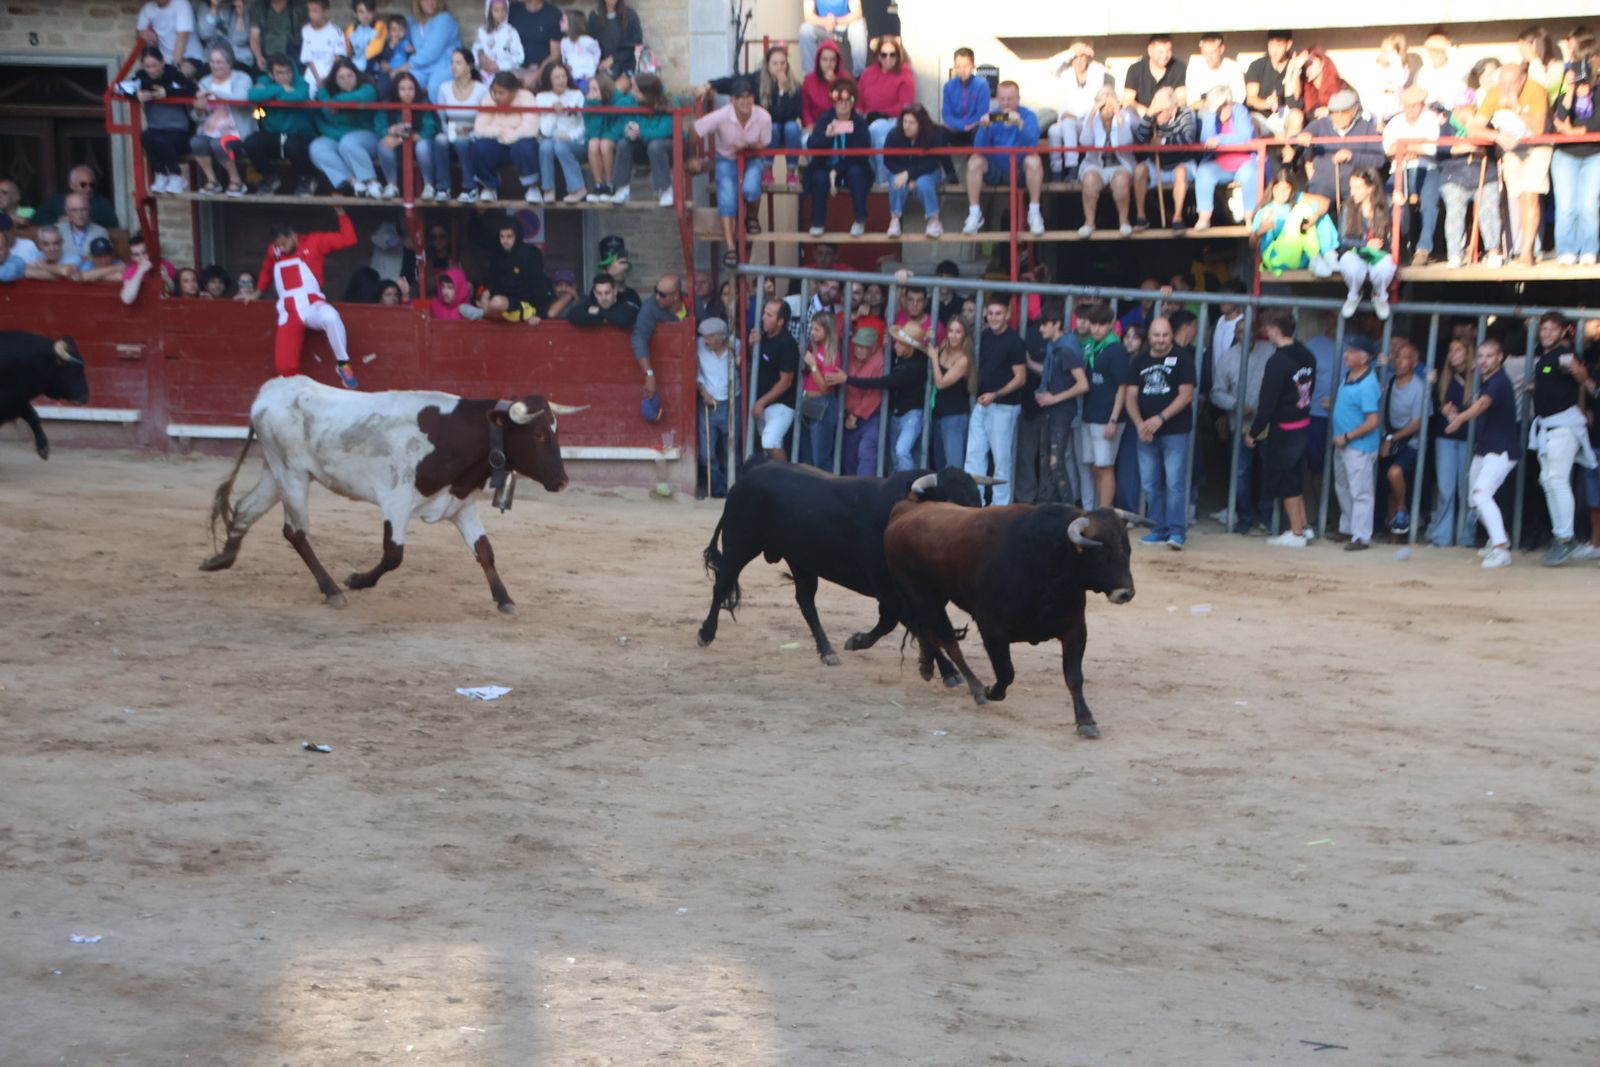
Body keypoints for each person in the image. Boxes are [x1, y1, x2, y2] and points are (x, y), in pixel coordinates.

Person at [256, 208, 361, 385]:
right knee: (284, 367)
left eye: (283, 243)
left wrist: (341, 213)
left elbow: (349, 238)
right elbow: (267, 270)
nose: (280, 249)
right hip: (288, 312)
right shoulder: (274, 251)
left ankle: (343, 364)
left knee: (330, 316)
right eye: (277, 245)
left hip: (312, 305)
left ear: (293, 236)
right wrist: (257, 292)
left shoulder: (315, 241)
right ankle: (301, 394)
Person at [1443, 340, 1520, 567]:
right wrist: (1456, 413)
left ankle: (1501, 549)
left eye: (1489, 356)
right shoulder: (1487, 381)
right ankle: (1498, 538)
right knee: (1473, 500)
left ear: (1500, 358)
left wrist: (1460, 418)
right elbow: (1479, 406)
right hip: (1486, 449)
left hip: (1501, 450)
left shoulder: (1499, 382)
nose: (1484, 360)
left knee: (1481, 494)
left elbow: (1483, 404)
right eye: (1481, 356)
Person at [1528, 313, 1596, 564]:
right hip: (1548, 428)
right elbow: (1553, 378)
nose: (1546, 333)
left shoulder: (1565, 355)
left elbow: (1577, 375)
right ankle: (1562, 536)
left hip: (1563, 428)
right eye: (1543, 328)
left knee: (1556, 479)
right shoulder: (1546, 359)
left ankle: (1566, 538)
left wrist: (1580, 374)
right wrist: (1534, 388)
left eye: (1551, 329)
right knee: (1547, 479)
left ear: (1562, 331)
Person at [1246, 308, 1317, 547]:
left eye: (1267, 328)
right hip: (1304, 422)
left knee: (1287, 480)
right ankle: (1304, 527)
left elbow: (1267, 404)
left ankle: (1296, 532)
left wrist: (1254, 432)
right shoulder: (1307, 355)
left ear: (1275, 330)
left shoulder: (1277, 362)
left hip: (1285, 428)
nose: (1266, 332)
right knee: (1295, 478)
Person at [1124, 316, 1195, 548]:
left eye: (1165, 335)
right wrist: (1139, 423)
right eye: (1157, 335)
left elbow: (1186, 394)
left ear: (1171, 335)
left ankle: (1176, 532)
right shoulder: (1139, 361)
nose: (1161, 340)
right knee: (1150, 483)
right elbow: (1130, 396)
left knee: (1174, 483)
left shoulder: (1183, 358)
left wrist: (1160, 418)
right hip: (1145, 432)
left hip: (1175, 430)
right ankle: (1158, 529)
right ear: (1150, 337)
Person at [1471, 63, 1551, 266]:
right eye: (1503, 82)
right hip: (1510, 148)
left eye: (1511, 83)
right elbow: (1473, 129)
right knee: (1517, 197)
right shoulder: (1494, 93)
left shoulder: (1535, 90)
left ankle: (1527, 252)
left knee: (1530, 196)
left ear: (1522, 79)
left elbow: (1539, 128)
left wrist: (1517, 106)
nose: (1506, 87)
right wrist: (1496, 135)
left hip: (1536, 146)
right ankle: (1520, 249)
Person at [694, 77, 771, 265]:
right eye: (741, 97)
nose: (746, 101)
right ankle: (730, 249)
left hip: (752, 156)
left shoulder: (763, 116)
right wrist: (691, 156)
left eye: (749, 96)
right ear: (732, 101)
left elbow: (764, 144)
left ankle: (752, 217)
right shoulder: (722, 115)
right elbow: (694, 129)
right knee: (727, 199)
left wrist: (748, 145)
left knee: (751, 189)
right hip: (727, 159)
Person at [842, 320, 931, 472]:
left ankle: (910, 487)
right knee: (897, 458)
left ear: (909, 347)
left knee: (902, 451)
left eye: (900, 344)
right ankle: (902, 489)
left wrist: (847, 379)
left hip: (911, 414)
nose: (895, 346)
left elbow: (884, 382)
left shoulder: (915, 366)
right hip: (896, 413)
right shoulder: (900, 357)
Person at [1440, 58, 1505, 268]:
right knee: (1455, 210)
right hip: (1454, 176)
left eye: (1468, 108)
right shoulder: (1446, 126)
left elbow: (1490, 142)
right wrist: (1465, 146)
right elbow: (1443, 149)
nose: (1462, 112)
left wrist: (1473, 129)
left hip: (1485, 175)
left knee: (1489, 208)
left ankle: (1493, 250)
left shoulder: (1486, 122)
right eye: (1458, 108)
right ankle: (1455, 254)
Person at [1211, 326, 1275, 534]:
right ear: (1235, 335)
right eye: (1241, 332)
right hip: (1239, 425)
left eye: (1250, 331)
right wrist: (1237, 405)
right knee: (1240, 473)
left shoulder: (1270, 350)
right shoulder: (1227, 358)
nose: (1246, 335)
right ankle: (1245, 518)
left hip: (1267, 424)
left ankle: (1267, 517)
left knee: (1270, 471)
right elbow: (1216, 393)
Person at [963, 297, 1027, 504]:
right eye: (990, 313)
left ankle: (1000, 507)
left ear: (1007, 315)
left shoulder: (1015, 341)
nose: (993, 317)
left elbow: (1021, 378)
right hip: (983, 404)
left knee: (1001, 461)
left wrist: (996, 395)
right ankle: (975, 503)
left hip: (1004, 407)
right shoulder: (985, 335)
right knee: (974, 456)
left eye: (998, 313)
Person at [963, 80, 1045, 237]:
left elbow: (1033, 145)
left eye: (1010, 99)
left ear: (1018, 99)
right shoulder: (992, 116)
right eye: (1002, 99)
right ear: (997, 99)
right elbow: (978, 149)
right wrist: (984, 128)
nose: (1005, 103)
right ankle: (975, 214)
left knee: (1034, 160)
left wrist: (1019, 123)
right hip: (996, 171)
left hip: (1020, 171)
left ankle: (1034, 213)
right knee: (974, 161)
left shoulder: (1028, 116)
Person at [1297, 89, 1382, 226]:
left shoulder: (1366, 128)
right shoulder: (1321, 124)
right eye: (1335, 113)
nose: (1339, 117)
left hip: (1354, 186)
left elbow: (1379, 160)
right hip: (1322, 183)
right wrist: (1302, 137)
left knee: (1359, 214)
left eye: (1344, 113)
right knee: (1313, 206)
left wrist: (1352, 157)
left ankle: (1353, 244)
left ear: (1354, 111)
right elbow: (1296, 140)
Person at [1072, 302, 1128, 508]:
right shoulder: (1094, 346)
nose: (1095, 328)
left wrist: (1113, 419)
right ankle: (1101, 510)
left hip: (1106, 418)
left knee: (1105, 467)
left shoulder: (1117, 350)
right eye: (1093, 324)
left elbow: (1123, 387)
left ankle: (1106, 513)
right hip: (1090, 416)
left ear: (1110, 325)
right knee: (1096, 467)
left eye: (1100, 325)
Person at [1329, 337, 1382, 550]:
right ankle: (1349, 527)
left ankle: (1361, 536)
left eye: (1351, 352)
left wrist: (1348, 436)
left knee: (1360, 492)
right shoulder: (1351, 375)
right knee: (1343, 487)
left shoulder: (1368, 384)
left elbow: (1373, 421)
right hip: (1345, 443)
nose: (1346, 355)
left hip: (1357, 445)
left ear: (1364, 357)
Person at [123, 46, 198, 194]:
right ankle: (161, 174)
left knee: (162, 141)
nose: (151, 70)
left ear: (162, 63)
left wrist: (167, 93)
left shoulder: (173, 74)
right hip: (156, 127)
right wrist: (136, 95)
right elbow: (121, 88)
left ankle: (176, 176)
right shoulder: (141, 77)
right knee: (145, 137)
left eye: (154, 65)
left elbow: (192, 89)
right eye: (147, 66)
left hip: (179, 131)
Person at [1034, 302, 1089, 505]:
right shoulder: (1055, 348)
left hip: (1062, 411)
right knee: (1047, 460)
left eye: (1044, 324)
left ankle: (1068, 509)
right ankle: (1049, 508)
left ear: (1056, 324)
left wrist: (1053, 398)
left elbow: (1083, 384)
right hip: (1052, 409)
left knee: (1055, 462)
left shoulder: (1064, 349)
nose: (1040, 329)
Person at [1383, 85, 1443, 265]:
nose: (1411, 109)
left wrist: (1403, 146)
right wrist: (1415, 146)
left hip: (1427, 168)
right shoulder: (1395, 122)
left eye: (1415, 105)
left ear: (1422, 105)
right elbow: (1388, 149)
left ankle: (1423, 249)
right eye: (1408, 105)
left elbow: (1431, 149)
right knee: (1390, 199)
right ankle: (1396, 246)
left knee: (1429, 203)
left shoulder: (1430, 119)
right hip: (1400, 168)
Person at [803, 78, 870, 238]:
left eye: (848, 100)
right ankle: (817, 223)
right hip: (825, 165)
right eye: (839, 100)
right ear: (833, 102)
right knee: (819, 177)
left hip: (850, 165)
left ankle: (860, 220)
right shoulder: (825, 119)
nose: (843, 104)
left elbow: (861, 153)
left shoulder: (859, 123)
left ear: (853, 102)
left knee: (856, 172)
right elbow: (812, 146)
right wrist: (827, 135)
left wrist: (837, 170)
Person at [1551, 50, 1600, 266]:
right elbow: (1559, 119)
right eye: (1577, 81)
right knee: (1566, 206)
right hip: (1565, 157)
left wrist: (1571, 131)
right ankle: (1567, 249)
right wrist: (1570, 91)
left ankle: (1589, 249)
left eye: (1584, 81)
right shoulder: (1564, 97)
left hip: (1594, 156)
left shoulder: (1598, 95)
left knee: (1588, 205)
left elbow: (1596, 125)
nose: (1582, 85)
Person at [245, 53, 318, 196]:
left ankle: (306, 179)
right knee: (251, 143)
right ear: (271, 75)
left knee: (294, 146)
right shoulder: (264, 80)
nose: (285, 76)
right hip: (273, 134)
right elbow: (253, 95)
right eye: (279, 73)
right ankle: (269, 178)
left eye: (287, 72)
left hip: (299, 134)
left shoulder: (301, 83)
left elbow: (298, 97)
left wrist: (269, 93)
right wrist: (282, 88)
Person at [1425, 337, 1474, 546]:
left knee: (1467, 489)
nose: (1453, 354)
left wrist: (1460, 413)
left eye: (1458, 350)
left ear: (1468, 353)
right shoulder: (1442, 377)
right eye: (1451, 350)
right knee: (1445, 488)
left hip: (1468, 438)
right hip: (1444, 437)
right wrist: (1441, 407)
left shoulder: (1477, 377)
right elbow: (1433, 403)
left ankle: (1466, 537)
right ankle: (1441, 537)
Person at [307, 58, 380, 195]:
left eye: (349, 76)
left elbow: (361, 97)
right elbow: (321, 119)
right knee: (317, 148)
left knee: (348, 142)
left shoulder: (367, 88)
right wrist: (325, 96)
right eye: (341, 77)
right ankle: (354, 183)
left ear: (356, 75)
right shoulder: (326, 93)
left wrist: (333, 103)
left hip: (367, 136)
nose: (346, 80)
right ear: (335, 80)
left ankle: (371, 182)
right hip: (337, 136)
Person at [191, 45, 256, 196]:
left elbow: (242, 98)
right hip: (210, 129)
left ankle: (236, 181)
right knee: (196, 142)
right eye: (212, 62)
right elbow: (197, 117)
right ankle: (212, 181)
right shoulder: (204, 82)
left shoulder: (242, 78)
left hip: (237, 130)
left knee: (219, 143)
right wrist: (199, 110)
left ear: (229, 63)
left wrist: (215, 93)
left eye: (219, 62)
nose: (215, 65)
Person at [467, 70, 541, 202]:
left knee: (525, 146)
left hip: (518, 142)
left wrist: (512, 135)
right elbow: (479, 129)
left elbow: (531, 128)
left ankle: (532, 187)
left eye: (501, 93)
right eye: (494, 92)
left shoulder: (526, 97)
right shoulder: (489, 99)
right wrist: (501, 132)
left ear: (513, 91)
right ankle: (489, 186)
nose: (496, 96)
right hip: (499, 143)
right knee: (478, 147)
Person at [1132, 87, 1197, 231]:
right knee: (1139, 170)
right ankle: (1141, 218)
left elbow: (1188, 139)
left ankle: (1177, 217)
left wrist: (1163, 142)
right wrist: (1148, 114)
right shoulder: (1152, 116)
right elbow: (1139, 140)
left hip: (1182, 163)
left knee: (1180, 171)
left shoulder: (1186, 113)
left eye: (1160, 111)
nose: (1156, 115)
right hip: (1157, 164)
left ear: (1172, 110)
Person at [1379, 341, 1426, 538]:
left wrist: (1391, 438)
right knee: (1388, 487)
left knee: (1394, 473)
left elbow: (1417, 424)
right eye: (1397, 357)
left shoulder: (1419, 387)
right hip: (1388, 438)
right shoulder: (1388, 381)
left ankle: (1401, 510)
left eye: (1405, 357)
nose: (1399, 362)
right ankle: (1394, 538)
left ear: (1415, 363)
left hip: (1409, 442)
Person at [1075, 87, 1135, 238]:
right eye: (1103, 105)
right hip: (1095, 164)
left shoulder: (1125, 116)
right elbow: (1085, 142)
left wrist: (1117, 113)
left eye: (1110, 104)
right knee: (1089, 180)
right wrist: (1093, 112)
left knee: (1121, 181)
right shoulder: (1090, 118)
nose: (1107, 108)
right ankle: (1089, 222)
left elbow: (1125, 141)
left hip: (1120, 165)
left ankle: (1124, 221)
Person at [1194, 84, 1256, 230]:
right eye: (1217, 108)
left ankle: (1250, 219)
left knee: (1250, 174)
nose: (1222, 111)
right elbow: (1206, 140)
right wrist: (1210, 114)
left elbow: (1245, 135)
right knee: (1203, 172)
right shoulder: (1210, 114)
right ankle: (1203, 218)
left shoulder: (1240, 110)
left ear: (1229, 104)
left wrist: (1220, 139)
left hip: (1244, 161)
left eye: (1224, 106)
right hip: (1220, 163)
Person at [1047, 40, 1109, 180]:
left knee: (1068, 123)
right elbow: (1048, 66)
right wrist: (1072, 51)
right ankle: (1056, 170)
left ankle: (1072, 168)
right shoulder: (1065, 72)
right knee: (1053, 131)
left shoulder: (1096, 70)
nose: (1080, 60)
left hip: (1088, 122)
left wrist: (1085, 49)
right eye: (1076, 57)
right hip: (1067, 121)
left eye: (1083, 56)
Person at [1337, 168, 1394, 320]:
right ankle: (1354, 294)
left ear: (1371, 188)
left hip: (1380, 252)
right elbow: (1342, 238)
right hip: (1356, 250)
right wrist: (1365, 243)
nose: (1352, 192)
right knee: (1351, 264)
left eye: (1358, 188)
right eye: (1351, 187)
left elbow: (1404, 228)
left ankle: (1379, 295)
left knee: (1386, 266)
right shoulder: (1349, 207)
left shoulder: (1386, 204)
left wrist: (1402, 206)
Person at [433, 49, 489, 201]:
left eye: (458, 63)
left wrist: (469, 130)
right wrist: (451, 131)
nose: (453, 66)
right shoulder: (444, 87)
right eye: (452, 62)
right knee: (439, 140)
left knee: (462, 141)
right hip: (451, 130)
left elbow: (485, 118)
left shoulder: (481, 89)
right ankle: (443, 188)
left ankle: (470, 187)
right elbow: (442, 117)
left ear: (469, 66)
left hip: (473, 133)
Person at [375, 70, 442, 198]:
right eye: (402, 89)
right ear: (396, 90)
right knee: (383, 145)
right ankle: (392, 185)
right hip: (397, 146)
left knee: (422, 147)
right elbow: (379, 126)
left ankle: (429, 186)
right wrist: (391, 131)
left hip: (420, 144)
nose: (407, 93)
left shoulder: (423, 102)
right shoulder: (387, 104)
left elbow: (430, 127)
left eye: (411, 88)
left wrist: (413, 136)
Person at [859, 36, 914, 186]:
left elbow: (905, 105)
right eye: (884, 54)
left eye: (892, 54)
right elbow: (859, 102)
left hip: (894, 119)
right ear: (878, 55)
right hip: (868, 118)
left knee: (876, 131)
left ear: (898, 55)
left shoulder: (905, 73)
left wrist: (881, 113)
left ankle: (882, 179)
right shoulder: (868, 73)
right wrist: (861, 116)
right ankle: (866, 177)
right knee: (853, 131)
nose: (888, 58)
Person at [748, 298, 799, 461]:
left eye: (769, 315)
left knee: (770, 442)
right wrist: (752, 346)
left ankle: (786, 482)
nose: (763, 317)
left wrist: (761, 402)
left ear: (780, 321)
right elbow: (755, 363)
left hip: (781, 405)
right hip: (762, 404)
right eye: (764, 313)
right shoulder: (763, 337)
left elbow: (786, 381)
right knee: (766, 448)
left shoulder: (787, 344)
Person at [831, 325, 884, 476]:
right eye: (857, 345)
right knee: (848, 454)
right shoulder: (850, 356)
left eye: (863, 346)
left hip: (871, 417)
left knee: (866, 451)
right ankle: (851, 491)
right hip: (849, 415)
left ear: (873, 347)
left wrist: (856, 414)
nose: (858, 349)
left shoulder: (880, 361)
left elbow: (874, 395)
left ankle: (864, 491)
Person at [618, 72, 677, 206]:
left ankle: (665, 189)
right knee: (623, 143)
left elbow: (664, 131)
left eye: (636, 90)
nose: (633, 92)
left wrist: (640, 132)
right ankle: (622, 188)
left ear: (647, 93)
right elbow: (625, 120)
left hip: (669, 147)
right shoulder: (631, 101)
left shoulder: (669, 103)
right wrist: (628, 131)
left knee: (655, 145)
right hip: (643, 145)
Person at [883, 104, 942, 237]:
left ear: (920, 124)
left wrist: (909, 175)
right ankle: (894, 220)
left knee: (923, 183)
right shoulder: (894, 134)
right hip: (901, 171)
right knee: (896, 181)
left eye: (911, 123)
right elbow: (888, 161)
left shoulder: (933, 135)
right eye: (904, 121)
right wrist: (906, 176)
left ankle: (934, 221)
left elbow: (932, 163)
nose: (906, 126)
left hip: (928, 172)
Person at [534, 61, 589, 202]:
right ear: (549, 80)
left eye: (563, 76)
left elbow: (585, 125)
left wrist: (570, 136)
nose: (561, 80)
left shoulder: (577, 95)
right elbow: (545, 131)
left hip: (576, 142)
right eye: (557, 77)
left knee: (560, 146)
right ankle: (548, 189)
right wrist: (554, 112)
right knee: (545, 146)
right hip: (552, 139)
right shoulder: (541, 97)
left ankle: (578, 189)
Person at [629, 272, 684, 407]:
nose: (657, 297)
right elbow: (639, 337)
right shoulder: (650, 307)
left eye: (663, 295)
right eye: (656, 291)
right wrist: (649, 374)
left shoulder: (692, 302)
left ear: (676, 296)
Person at [483, 217, 550, 322]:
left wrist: (540, 314)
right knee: (485, 296)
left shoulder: (529, 254)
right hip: (504, 305)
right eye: (502, 236)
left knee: (496, 302)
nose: (505, 241)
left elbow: (538, 284)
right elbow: (493, 282)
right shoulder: (498, 255)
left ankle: (483, 312)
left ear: (517, 236)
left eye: (509, 236)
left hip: (525, 304)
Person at [798, 311, 842, 470]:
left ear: (828, 331)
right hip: (810, 401)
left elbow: (824, 387)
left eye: (817, 330)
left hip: (823, 403)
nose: (812, 333)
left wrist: (813, 365)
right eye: (812, 328)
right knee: (807, 456)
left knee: (820, 458)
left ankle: (829, 491)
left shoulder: (832, 354)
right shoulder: (815, 348)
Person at [582, 70, 634, 202]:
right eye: (589, 89)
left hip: (615, 138)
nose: (591, 92)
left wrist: (606, 136)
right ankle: (600, 185)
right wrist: (595, 106)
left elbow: (620, 127)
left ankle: (610, 184)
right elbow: (592, 131)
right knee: (593, 143)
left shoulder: (621, 101)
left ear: (604, 89)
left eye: (595, 89)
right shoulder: (590, 103)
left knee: (605, 144)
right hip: (600, 135)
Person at [696, 317, 734, 497]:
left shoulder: (736, 346)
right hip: (709, 404)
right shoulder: (698, 346)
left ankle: (732, 490)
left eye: (709, 337)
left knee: (732, 452)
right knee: (706, 455)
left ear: (721, 338)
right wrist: (702, 390)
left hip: (731, 403)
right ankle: (718, 491)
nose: (705, 341)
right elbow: (692, 369)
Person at [941, 47, 990, 181]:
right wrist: (962, 126)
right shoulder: (948, 86)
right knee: (938, 134)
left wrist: (969, 125)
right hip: (957, 130)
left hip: (974, 129)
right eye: (959, 66)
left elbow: (982, 114)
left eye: (966, 66)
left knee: (979, 129)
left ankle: (976, 175)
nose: (962, 70)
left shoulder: (982, 84)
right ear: (954, 67)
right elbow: (946, 115)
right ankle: (951, 175)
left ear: (973, 66)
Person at [31, 166, 119, 229]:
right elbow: (36, 219)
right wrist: (57, 222)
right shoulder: (57, 200)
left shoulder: (102, 205)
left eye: (91, 185)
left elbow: (113, 226)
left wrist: (79, 220)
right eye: (83, 185)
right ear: (72, 185)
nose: (88, 188)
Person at [799, 0, 867, 80]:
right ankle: (809, 77)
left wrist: (835, 21)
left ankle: (859, 76)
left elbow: (857, 13)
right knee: (805, 29)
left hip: (845, 26)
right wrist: (825, 22)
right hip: (823, 27)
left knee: (858, 26)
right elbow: (808, 16)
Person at [1244, 30, 1293, 136]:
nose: (1274, 51)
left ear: (1288, 45)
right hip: (1259, 115)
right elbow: (1250, 99)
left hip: (1282, 113)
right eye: (1271, 45)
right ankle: (1255, 152)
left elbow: (1296, 101)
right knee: (1249, 122)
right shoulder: (1256, 66)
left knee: (1296, 116)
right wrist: (1266, 104)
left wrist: (1293, 71)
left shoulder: (1293, 65)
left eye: (1279, 46)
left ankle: (1289, 150)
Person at [407, 0, 460, 95]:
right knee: (406, 81)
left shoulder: (444, 19)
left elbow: (431, 52)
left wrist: (405, 66)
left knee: (434, 87)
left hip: (446, 65)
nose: (430, 3)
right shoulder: (413, 22)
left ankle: (438, 110)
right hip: (422, 67)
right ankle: (415, 110)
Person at [298, 0, 348, 93]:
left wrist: (328, 77)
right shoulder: (305, 30)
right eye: (310, 11)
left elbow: (339, 57)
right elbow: (307, 58)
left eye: (315, 11)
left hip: (331, 74)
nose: (311, 14)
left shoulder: (336, 31)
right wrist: (317, 78)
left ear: (325, 12)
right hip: (311, 75)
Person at [800, 39, 845, 137]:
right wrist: (809, 125)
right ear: (818, 61)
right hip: (816, 126)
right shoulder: (809, 80)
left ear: (837, 62)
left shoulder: (845, 78)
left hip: (841, 125)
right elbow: (805, 108)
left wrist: (835, 84)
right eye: (824, 59)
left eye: (832, 60)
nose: (828, 64)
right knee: (806, 141)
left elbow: (849, 103)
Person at [138, 0, 204, 66]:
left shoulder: (181, 4)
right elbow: (140, 32)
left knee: (178, 74)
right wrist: (146, 34)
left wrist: (174, 66)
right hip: (165, 60)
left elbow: (182, 37)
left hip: (191, 57)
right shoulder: (148, 8)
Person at [56, 194, 110, 271]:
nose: (80, 214)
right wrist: (84, 258)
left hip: (91, 276)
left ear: (89, 210)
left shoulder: (100, 231)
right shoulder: (58, 230)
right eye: (75, 210)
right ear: (67, 212)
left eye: (84, 209)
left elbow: (104, 258)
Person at [588, 0, 643, 77]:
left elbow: (636, 43)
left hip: (625, 64)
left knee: (615, 87)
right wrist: (599, 63)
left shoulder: (629, 15)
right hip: (601, 66)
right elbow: (591, 44)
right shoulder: (594, 16)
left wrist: (613, 59)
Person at [119, 231, 177, 304]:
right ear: (133, 257)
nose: (142, 257)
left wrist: (166, 278)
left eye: (145, 252)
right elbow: (127, 299)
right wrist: (141, 271)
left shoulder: (166, 265)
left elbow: (174, 292)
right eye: (137, 255)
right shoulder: (131, 270)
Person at [1186, 32, 1244, 104]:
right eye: (1205, 53)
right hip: (1205, 109)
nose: (1209, 57)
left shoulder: (1233, 67)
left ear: (1221, 49)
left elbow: (1239, 97)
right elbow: (1193, 101)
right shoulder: (1194, 68)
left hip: (1229, 107)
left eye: (1212, 53)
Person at [250, 0, 306, 74]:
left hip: (292, 55)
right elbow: (254, 37)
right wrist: (259, 57)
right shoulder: (260, 6)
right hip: (267, 55)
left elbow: (308, 33)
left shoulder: (298, 6)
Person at [474, 0, 524, 83]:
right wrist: (481, 61)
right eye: (496, 10)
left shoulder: (511, 32)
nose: (500, 14)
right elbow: (476, 51)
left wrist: (499, 66)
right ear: (489, 11)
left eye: (503, 10)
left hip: (504, 77)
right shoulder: (482, 31)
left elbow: (519, 57)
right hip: (483, 77)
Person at [507, 0, 562, 75]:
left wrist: (535, 76)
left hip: (541, 71)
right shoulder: (513, 10)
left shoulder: (553, 15)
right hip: (512, 68)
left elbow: (555, 55)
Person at [565, 272, 637, 327]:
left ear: (615, 291)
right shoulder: (590, 302)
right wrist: (603, 319)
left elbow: (623, 319)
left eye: (607, 293)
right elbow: (573, 315)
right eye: (599, 293)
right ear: (595, 293)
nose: (603, 298)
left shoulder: (625, 302)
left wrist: (598, 311)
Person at [201, 0, 256, 72]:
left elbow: (239, 39)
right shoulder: (206, 7)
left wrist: (240, 16)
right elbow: (205, 34)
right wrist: (214, 8)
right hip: (212, 58)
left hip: (238, 58)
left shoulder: (240, 7)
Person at [373, 13, 414, 94]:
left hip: (403, 69)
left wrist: (411, 51)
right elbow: (384, 57)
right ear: (389, 32)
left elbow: (412, 58)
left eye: (400, 29)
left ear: (405, 31)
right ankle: (385, 103)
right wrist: (391, 46)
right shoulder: (387, 43)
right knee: (382, 85)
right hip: (388, 70)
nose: (397, 33)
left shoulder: (407, 42)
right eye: (394, 30)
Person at [344, 0, 386, 74]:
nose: (365, 16)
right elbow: (348, 52)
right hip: (354, 69)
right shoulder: (350, 29)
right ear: (355, 13)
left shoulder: (380, 26)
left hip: (373, 67)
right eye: (361, 12)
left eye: (369, 11)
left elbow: (375, 50)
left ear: (374, 12)